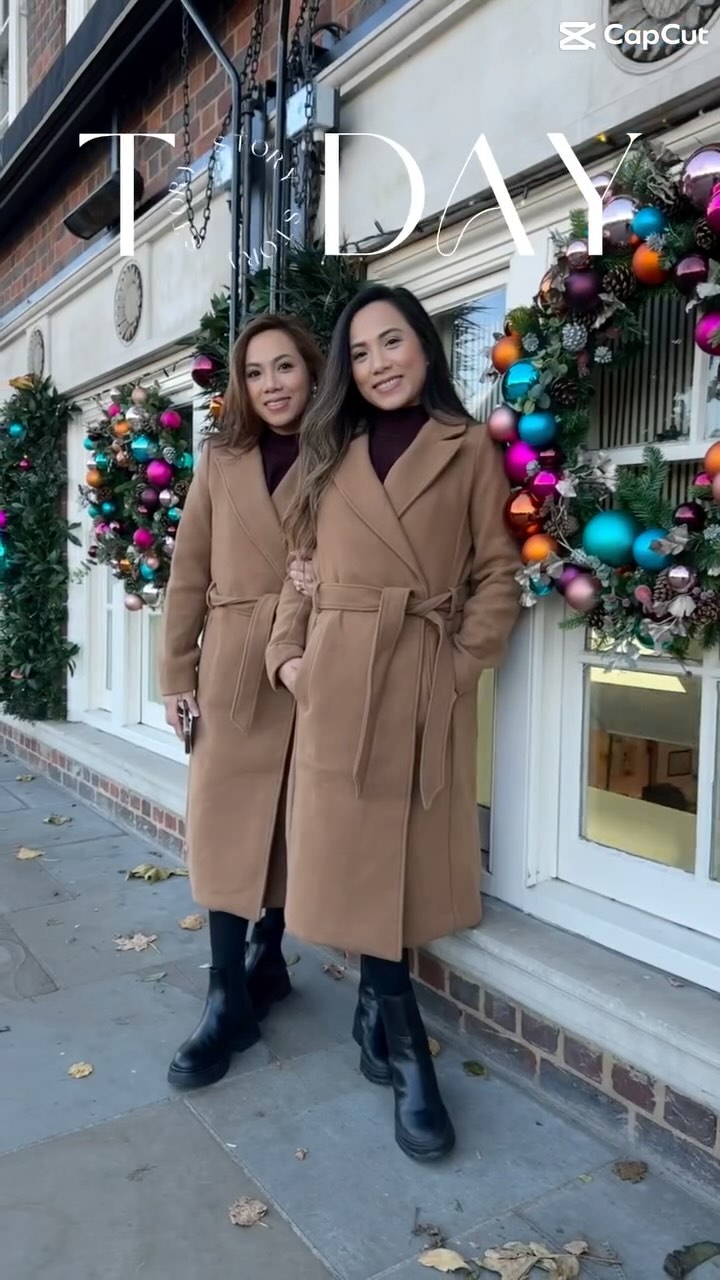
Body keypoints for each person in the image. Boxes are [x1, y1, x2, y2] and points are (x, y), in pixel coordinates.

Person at [266, 283, 521, 1162]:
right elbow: (299, 567)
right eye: (362, 351)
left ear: (426, 346)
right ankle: (408, 1047)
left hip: (420, 677)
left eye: (393, 343)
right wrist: (290, 661)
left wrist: (456, 668)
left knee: (397, 865)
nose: (378, 364)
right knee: (360, 863)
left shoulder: (469, 447)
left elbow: (497, 573)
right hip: (338, 683)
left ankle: (383, 1021)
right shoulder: (327, 452)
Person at [158, 314, 325, 1090]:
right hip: (229, 662)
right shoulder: (220, 461)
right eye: (256, 372)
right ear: (241, 385)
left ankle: (271, 956)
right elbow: (188, 572)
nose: (272, 385)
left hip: (309, 660)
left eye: (284, 367)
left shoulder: (341, 455)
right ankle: (226, 996)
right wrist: (175, 675)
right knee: (225, 826)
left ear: (311, 371)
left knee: (293, 825)